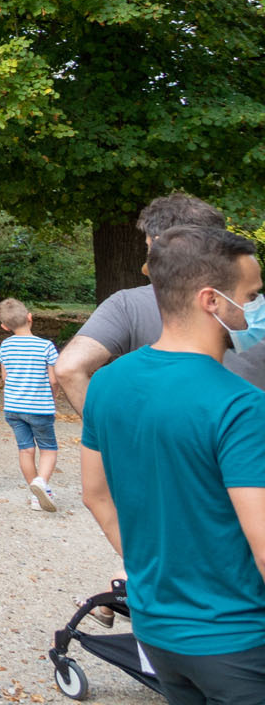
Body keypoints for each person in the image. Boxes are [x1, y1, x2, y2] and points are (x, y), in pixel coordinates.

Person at [81, 225, 265, 705]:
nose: (256, 309)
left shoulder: (107, 382)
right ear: (212, 301)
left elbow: (95, 494)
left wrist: (151, 567)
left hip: (156, 627)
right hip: (238, 638)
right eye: (251, 295)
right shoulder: (241, 405)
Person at [55, 194, 264, 413]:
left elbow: (69, 368)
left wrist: (103, 435)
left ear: (161, 246)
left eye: (148, 245)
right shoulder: (256, 312)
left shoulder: (126, 307)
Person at [0, 297, 62, 511]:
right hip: (39, 407)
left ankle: (36, 494)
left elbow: (4, 377)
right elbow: (53, 379)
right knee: (48, 448)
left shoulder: (5, 345)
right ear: (30, 317)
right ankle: (41, 482)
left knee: (25, 451)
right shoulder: (46, 346)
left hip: (13, 407)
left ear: (4, 327)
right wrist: (54, 395)